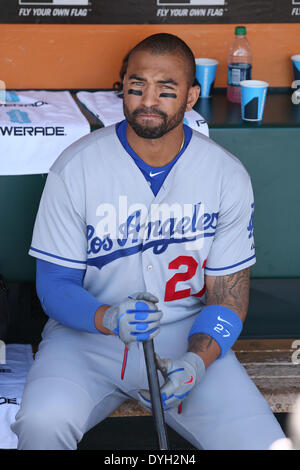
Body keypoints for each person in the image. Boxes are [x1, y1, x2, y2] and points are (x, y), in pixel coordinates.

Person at [12, 33, 285, 450]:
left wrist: (198, 360)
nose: (148, 100)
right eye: (137, 86)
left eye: (167, 90)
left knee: (266, 446)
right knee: (42, 424)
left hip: (185, 336)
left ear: (192, 96)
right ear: (122, 86)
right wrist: (107, 317)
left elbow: (229, 297)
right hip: (86, 340)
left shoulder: (225, 175)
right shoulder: (76, 167)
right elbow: (54, 287)